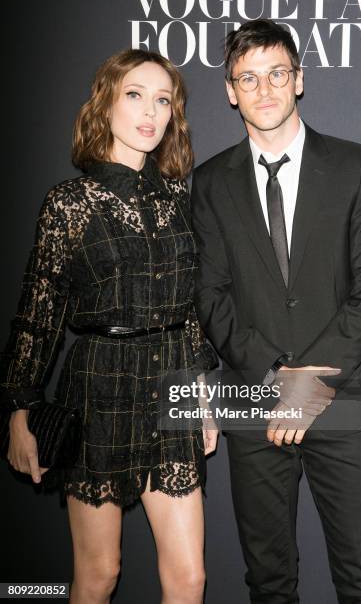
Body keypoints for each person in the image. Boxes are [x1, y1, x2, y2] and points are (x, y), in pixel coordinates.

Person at [192, 20, 361, 604]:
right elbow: (210, 296)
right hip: (254, 402)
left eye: (276, 74)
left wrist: (306, 387)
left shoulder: (360, 165)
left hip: (345, 393)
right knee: (269, 584)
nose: (264, 90)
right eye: (248, 78)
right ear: (231, 91)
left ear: (299, 80)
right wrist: (274, 380)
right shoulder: (208, 183)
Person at [1, 48, 219, 604]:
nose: (150, 112)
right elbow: (38, 312)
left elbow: (188, 304)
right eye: (134, 95)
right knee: (100, 575)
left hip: (172, 380)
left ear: (174, 114)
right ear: (106, 103)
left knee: (189, 577)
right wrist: (18, 407)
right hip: (100, 386)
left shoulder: (176, 199)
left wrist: (202, 389)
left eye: (163, 100)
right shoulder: (68, 203)